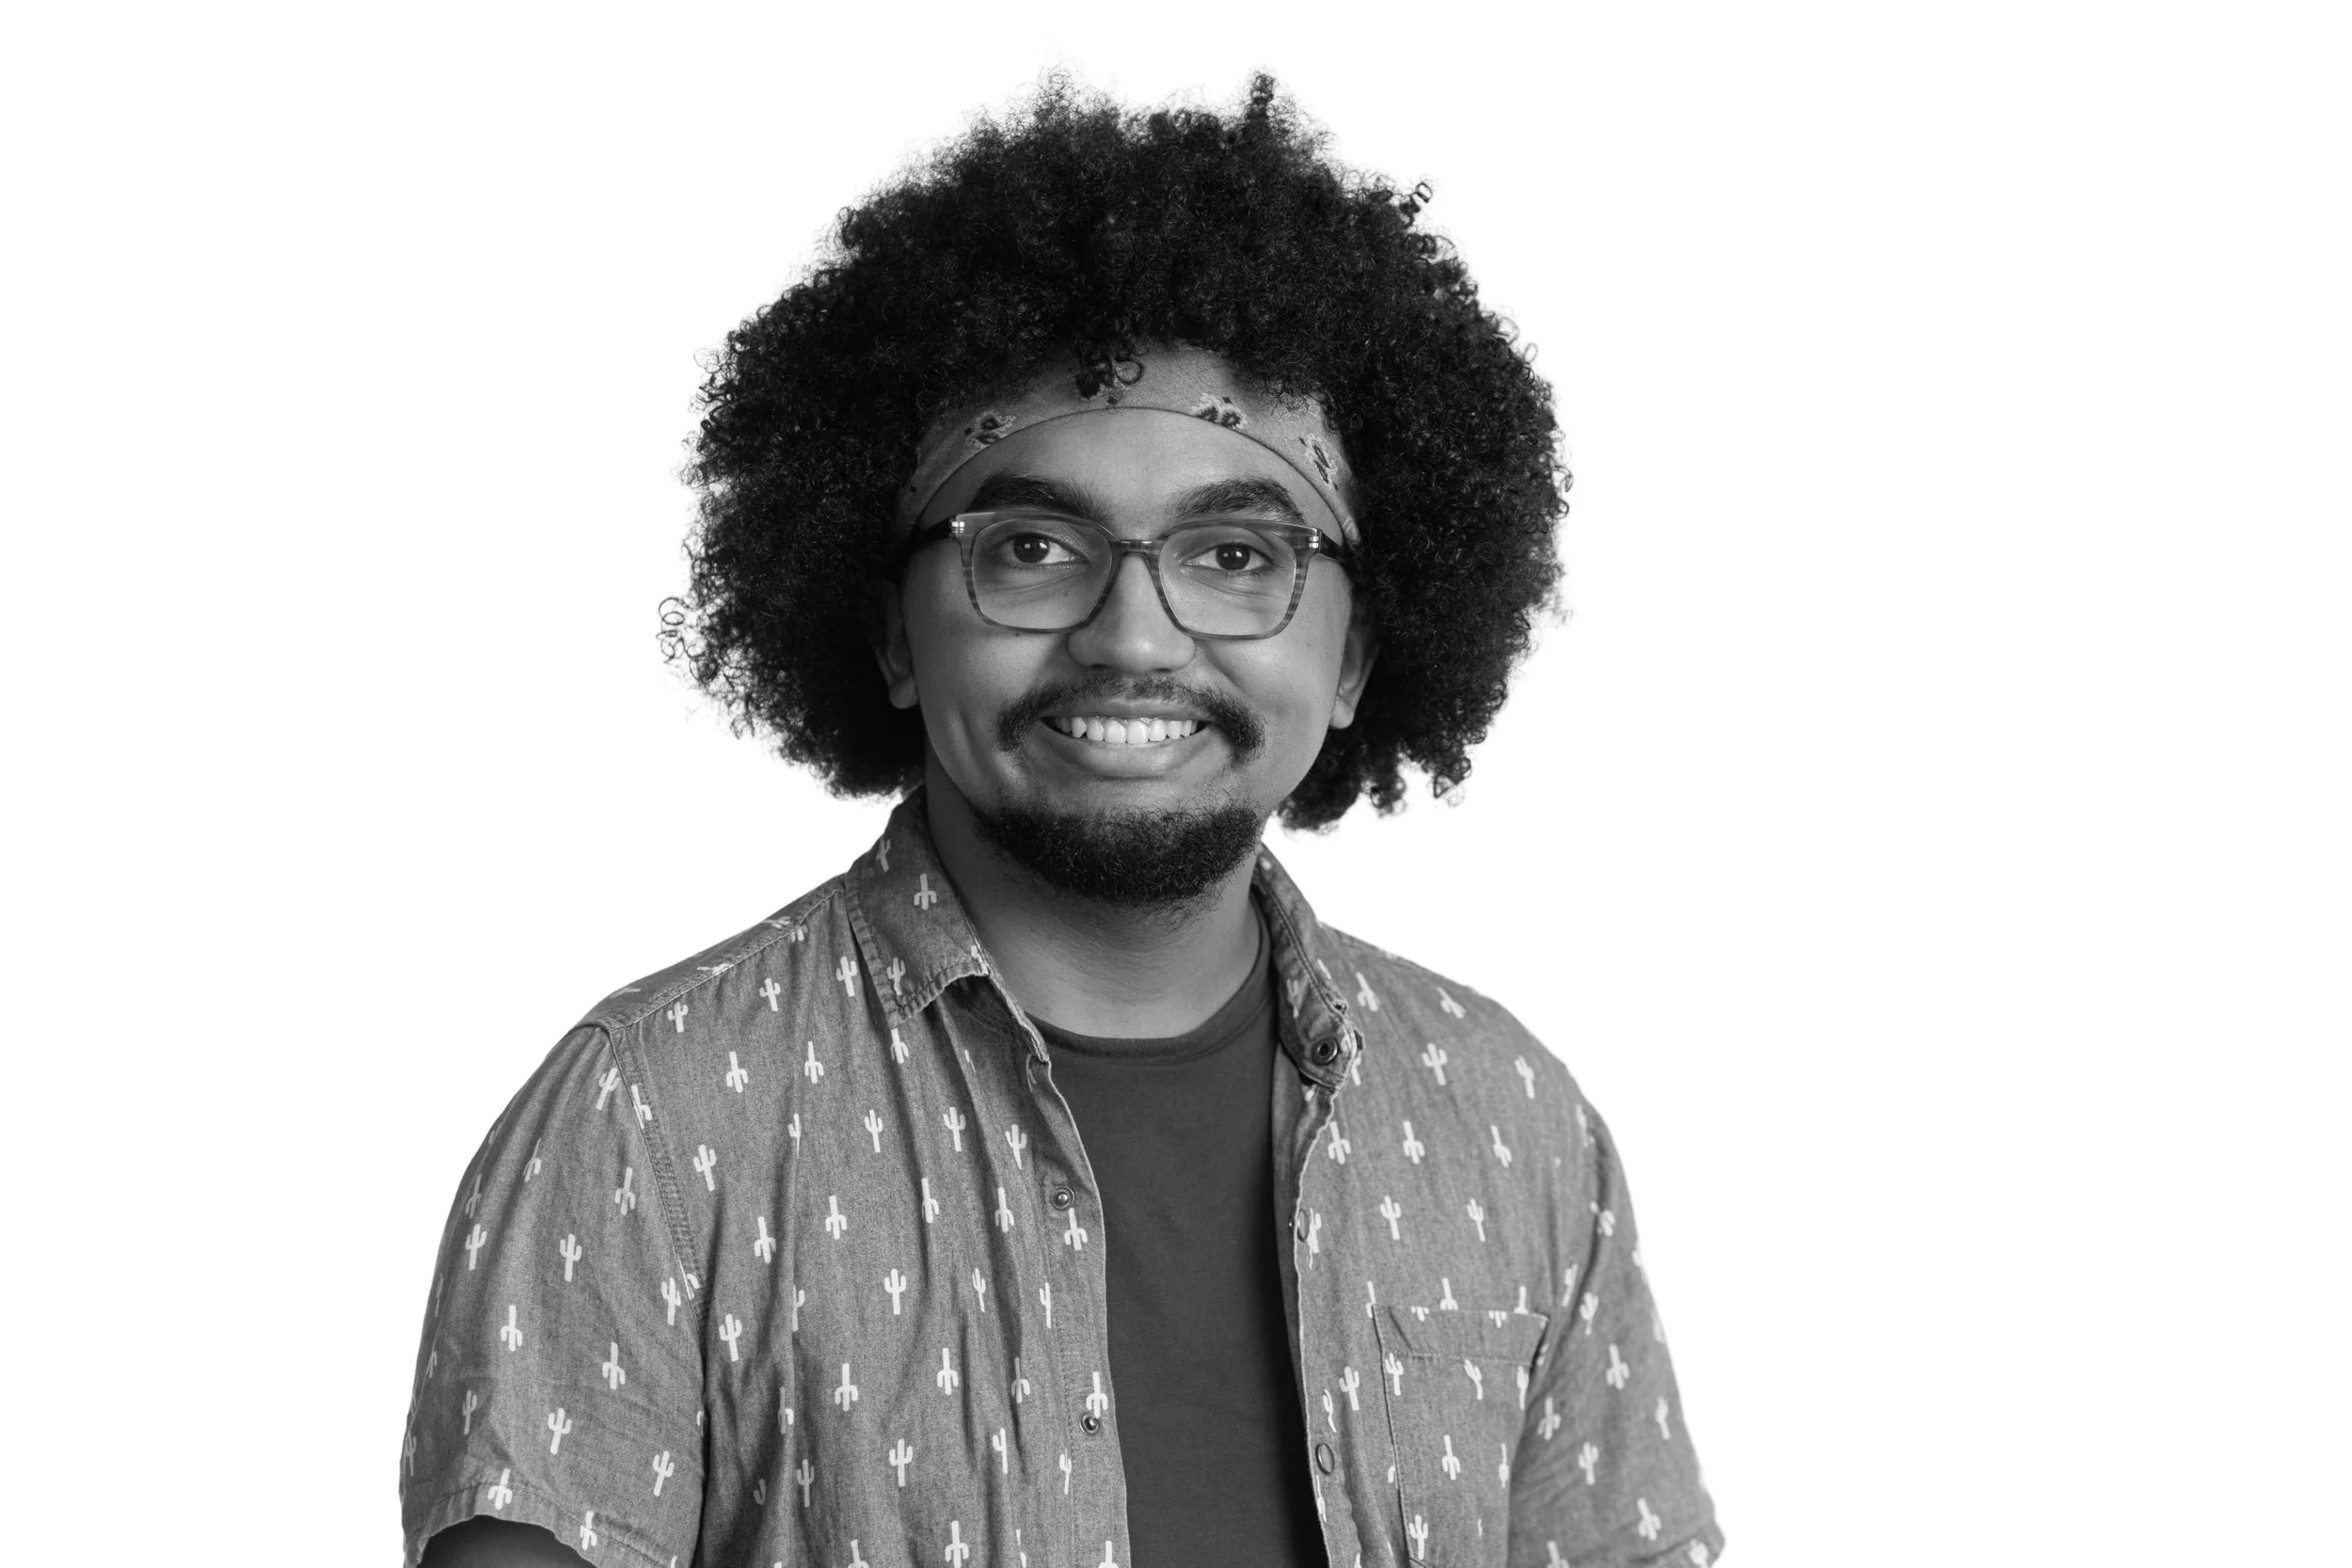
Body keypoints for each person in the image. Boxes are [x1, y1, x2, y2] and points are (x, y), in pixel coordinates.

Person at [401, 74, 1723, 1568]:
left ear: (1354, 658)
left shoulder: (1511, 1129)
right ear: (896, 635)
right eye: (1031, 547)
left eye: (1237, 553)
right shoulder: (652, 1122)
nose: (1134, 639)